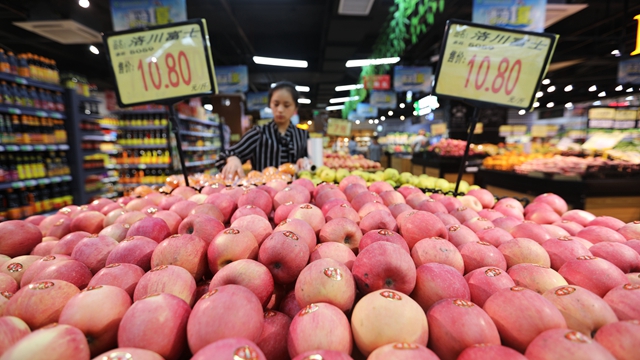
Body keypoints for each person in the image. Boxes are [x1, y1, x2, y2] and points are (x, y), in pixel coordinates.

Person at [216, 81, 309, 178]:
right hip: (262, 190)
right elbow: (226, 154)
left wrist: (305, 161)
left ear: (295, 108)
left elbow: (313, 165)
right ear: (270, 105)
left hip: (297, 191)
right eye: (276, 104)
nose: (280, 109)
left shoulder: (302, 135)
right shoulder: (258, 133)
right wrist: (232, 159)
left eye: (286, 105)